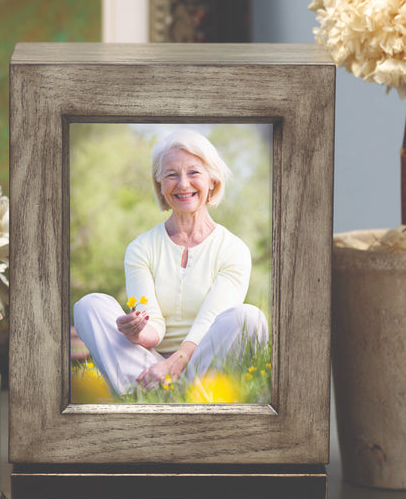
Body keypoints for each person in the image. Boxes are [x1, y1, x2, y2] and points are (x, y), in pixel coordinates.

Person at [73, 129, 268, 396]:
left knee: (250, 318)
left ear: (212, 180)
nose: (183, 184)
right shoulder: (141, 248)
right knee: (89, 305)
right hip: (147, 363)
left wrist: (174, 365)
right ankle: (143, 392)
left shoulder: (233, 250)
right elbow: (153, 327)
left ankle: (178, 392)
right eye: (171, 175)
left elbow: (209, 321)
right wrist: (136, 331)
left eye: (194, 172)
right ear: (160, 186)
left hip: (203, 365)